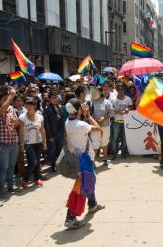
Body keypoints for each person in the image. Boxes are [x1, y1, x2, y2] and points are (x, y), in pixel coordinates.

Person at [64, 98, 105, 229]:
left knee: (89, 183)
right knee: (81, 189)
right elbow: (97, 128)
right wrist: (88, 114)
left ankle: (92, 205)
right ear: (79, 110)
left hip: (77, 159)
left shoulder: (68, 123)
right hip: (84, 160)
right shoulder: (81, 125)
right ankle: (70, 217)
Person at [0, 87, 20, 198]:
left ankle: (11, 185)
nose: (8, 100)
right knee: (3, 167)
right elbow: (1, 111)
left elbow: (17, 123)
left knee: (12, 166)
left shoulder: (11, 109)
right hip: (3, 143)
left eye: (8, 98)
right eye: (5, 98)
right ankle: (1, 189)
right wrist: (12, 96)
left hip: (13, 141)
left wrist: (15, 121)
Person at [18, 97, 47, 188]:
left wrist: (44, 142)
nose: (29, 106)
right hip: (28, 143)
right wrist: (21, 144)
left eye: (31, 104)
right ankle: (25, 179)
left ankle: (37, 178)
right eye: (27, 104)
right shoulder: (22, 117)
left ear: (35, 105)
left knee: (37, 161)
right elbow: (21, 131)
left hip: (38, 142)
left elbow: (42, 130)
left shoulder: (40, 116)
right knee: (33, 162)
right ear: (25, 106)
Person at [109, 83, 133, 160]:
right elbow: (111, 109)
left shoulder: (128, 99)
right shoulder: (113, 99)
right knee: (114, 139)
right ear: (117, 90)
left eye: (122, 89)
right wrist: (116, 111)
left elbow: (131, 107)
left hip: (126, 122)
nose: (121, 90)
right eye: (119, 89)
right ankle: (113, 153)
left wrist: (128, 109)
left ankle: (123, 153)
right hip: (116, 122)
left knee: (124, 138)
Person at [92, 85, 114, 166]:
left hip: (105, 126)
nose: (95, 93)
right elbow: (89, 113)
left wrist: (104, 117)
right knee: (95, 144)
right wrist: (95, 119)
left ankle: (105, 159)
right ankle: (93, 162)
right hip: (95, 127)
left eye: (97, 91)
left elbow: (112, 113)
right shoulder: (92, 102)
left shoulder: (107, 102)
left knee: (104, 143)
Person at [43, 91, 64, 172]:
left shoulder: (58, 107)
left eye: (56, 97)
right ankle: (53, 165)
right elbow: (46, 124)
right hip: (52, 133)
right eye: (53, 98)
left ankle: (59, 164)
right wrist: (49, 135)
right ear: (49, 99)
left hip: (60, 131)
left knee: (59, 149)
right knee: (52, 150)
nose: (55, 99)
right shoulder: (46, 109)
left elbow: (61, 118)